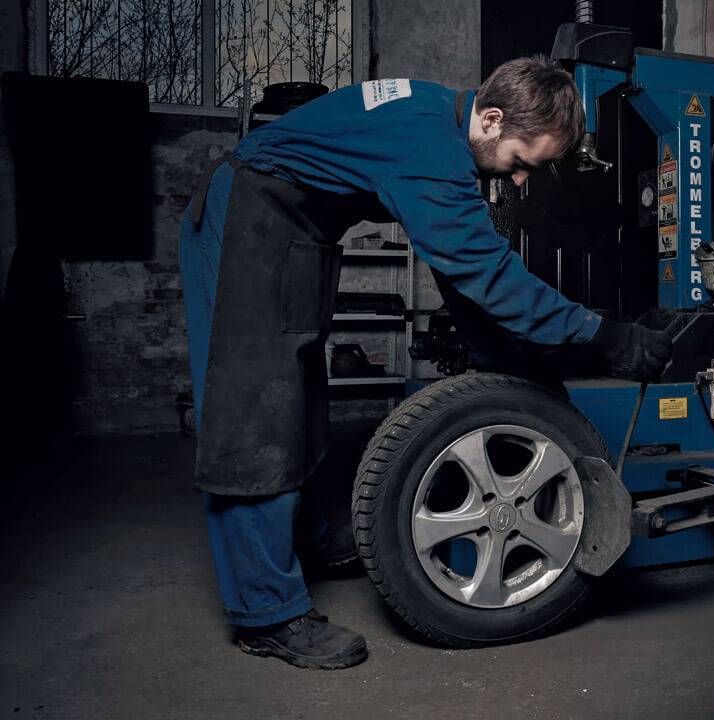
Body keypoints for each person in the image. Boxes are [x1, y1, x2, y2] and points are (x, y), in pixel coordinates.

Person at [178, 56, 673, 670]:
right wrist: (605, 337)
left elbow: (459, 274)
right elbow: (485, 274)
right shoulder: (428, 147)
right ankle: (267, 614)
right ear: (491, 120)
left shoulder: (438, 122)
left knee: (300, 399)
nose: (520, 181)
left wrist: (516, 371)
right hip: (248, 219)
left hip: (293, 229)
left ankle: (301, 540)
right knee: (254, 413)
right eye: (523, 163)